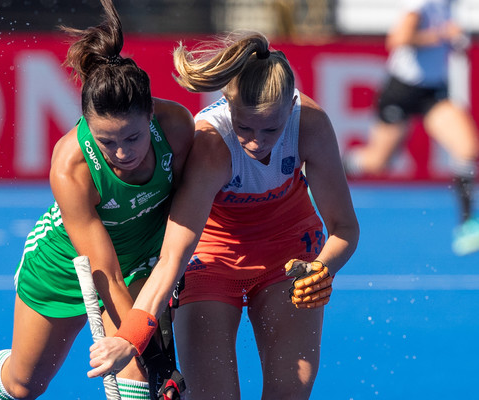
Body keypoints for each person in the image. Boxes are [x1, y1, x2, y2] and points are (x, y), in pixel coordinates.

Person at [87, 31, 359, 400]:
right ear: (228, 106)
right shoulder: (212, 145)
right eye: (244, 127)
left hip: (289, 251)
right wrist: (132, 337)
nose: (257, 142)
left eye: (271, 129)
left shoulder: (310, 123)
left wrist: (323, 267)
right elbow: (171, 259)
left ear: (290, 106)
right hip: (211, 256)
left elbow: (344, 228)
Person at [0, 0, 194, 399]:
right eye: (107, 141)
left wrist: (139, 345)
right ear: (87, 126)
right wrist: (138, 340)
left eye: (132, 138)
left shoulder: (178, 128)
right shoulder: (71, 166)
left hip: (144, 260)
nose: (121, 153)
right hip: (70, 264)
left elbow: (184, 210)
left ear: (150, 113)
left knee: (140, 375)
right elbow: (106, 273)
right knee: (23, 385)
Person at [343, 0, 479, 256]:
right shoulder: (422, 3)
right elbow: (398, 39)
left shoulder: (450, 4)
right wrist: (441, 35)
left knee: (467, 148)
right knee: (377, 162)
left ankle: (466, 225)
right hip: (402, 90)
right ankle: (330, 170)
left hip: (434, 91)